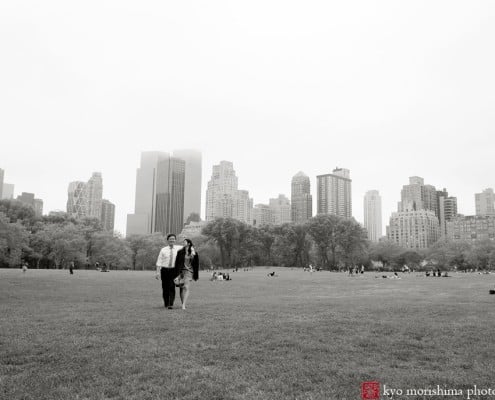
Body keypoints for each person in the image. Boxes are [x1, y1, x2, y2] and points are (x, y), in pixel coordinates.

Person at [156, 234, 182, 309]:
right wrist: (157, 272)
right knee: (165, 287)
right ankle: (166, 303)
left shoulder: (179, 248)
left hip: (174, 270)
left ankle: (171, 304)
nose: (172, 240)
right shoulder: (163, 250)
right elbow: (159, 262)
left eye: (173, 239)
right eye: (170, 239)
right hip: (164, 270)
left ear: (175, 240)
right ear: (167, 240)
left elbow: (188, 248)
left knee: (172, 286)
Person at [174, 239, 199, 310]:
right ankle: (183, 303)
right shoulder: (180, 252)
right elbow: (177, 263)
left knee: (186, 287)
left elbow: (196, 264)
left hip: (189, 272)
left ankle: (183, 305)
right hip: (181, 272)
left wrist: (193, 254)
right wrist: (177, 274)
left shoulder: (194, 253)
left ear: (188, 243)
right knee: (181, 289)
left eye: (184, 242)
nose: (183, 243)